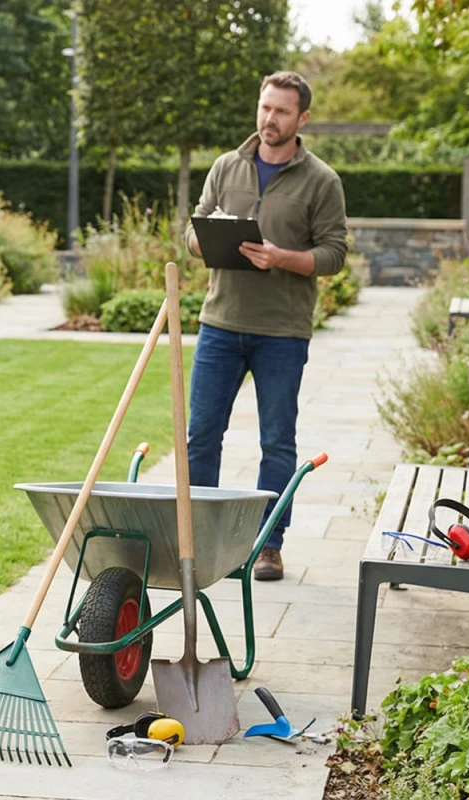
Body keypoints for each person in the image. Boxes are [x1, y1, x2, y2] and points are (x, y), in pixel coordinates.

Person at [183, 71, 347, 581]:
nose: (268, 119)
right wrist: (207, 239)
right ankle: (201, 542)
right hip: (219, 323)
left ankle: (269, 545)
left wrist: (281, 257)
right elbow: (193, 230)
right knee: (201, 436)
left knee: (277, 442)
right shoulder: (225, 167)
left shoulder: (322, 180)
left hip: (282, 330)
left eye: (280, 111)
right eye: (264, 107)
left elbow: (334, 254)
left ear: (302, 119)